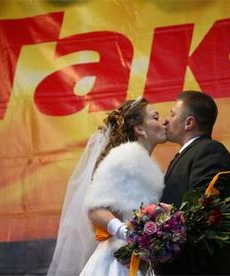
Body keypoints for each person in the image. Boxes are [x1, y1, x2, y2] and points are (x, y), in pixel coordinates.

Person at [47, 97, 167, 276]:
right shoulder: (122, 157)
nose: (163, 122)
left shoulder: (143, 161)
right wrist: (126, 233)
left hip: (138, 258)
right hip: (119, 261)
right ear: (140, 129)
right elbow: (95, 209)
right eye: (155, 118)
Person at [156, 91, 230, 275]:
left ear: (189, 122)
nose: (166, 120)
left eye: (172, 114)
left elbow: (198, 210)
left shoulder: (209, 151)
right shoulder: (188, 154)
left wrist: (154, 232)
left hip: (205, 268)